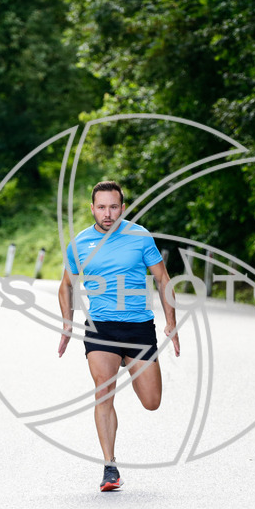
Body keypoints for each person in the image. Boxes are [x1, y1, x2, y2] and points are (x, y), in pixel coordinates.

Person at [57, 180, 180, 491]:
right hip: (101, 327)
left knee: (152, 402)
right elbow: (66, 286)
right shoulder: (80, 243)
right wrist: (67, 324)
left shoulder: (139, 238)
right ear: (92, 208)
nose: (107, 213)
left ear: (122, 208)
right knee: (104, 390)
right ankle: (109, 467)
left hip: (138, 328)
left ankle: (131, 362)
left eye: (113, 207)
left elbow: (163, 279)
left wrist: (171, 323)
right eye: (101, 207)